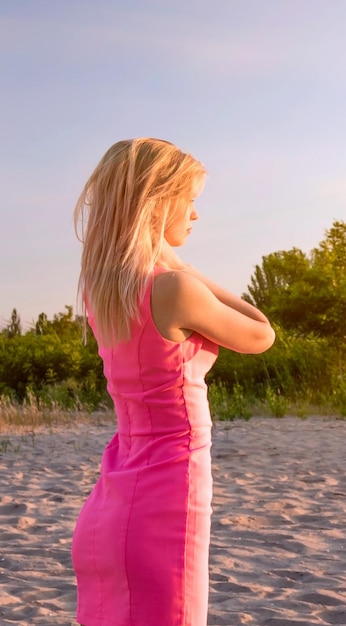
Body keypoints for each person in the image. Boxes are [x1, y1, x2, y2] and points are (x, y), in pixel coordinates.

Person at [71, 137, 275, 626]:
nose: (196, 215)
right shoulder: (174, 288)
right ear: (158, 201)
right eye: (191, 199)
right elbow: (262, 332)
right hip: (168, 497)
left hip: (111, 503)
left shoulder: (105, 292)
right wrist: (181, 264)